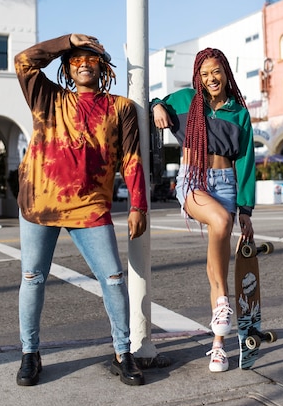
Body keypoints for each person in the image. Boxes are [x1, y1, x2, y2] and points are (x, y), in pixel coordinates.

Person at [14, 33, 148, 387]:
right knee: (32, 278)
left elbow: (132, 160)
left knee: (114, 279)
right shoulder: (47, 97)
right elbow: (24, 61)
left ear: (103, 66)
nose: (84, 63)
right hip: (40, 203)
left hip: (91, 206)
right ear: (66, 67)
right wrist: (67, 40)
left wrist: (138, 205)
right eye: (75, 58)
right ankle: (30, 353)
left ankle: (123, 352)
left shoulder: (120, 108)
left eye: (92, 58)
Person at [151, 47, 255, 372]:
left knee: (218, 270)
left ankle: (218, 346)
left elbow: (247, 161)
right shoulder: (184, 100)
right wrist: (156, 107)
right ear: (199, 75)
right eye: (205, 73)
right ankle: (224, 304)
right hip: (193, 181)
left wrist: (246, 209)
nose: (212, 78)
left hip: (225, 182)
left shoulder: (239, 112)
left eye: (217, 71)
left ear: (226, 72)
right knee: (221, 220)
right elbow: (156, 105)